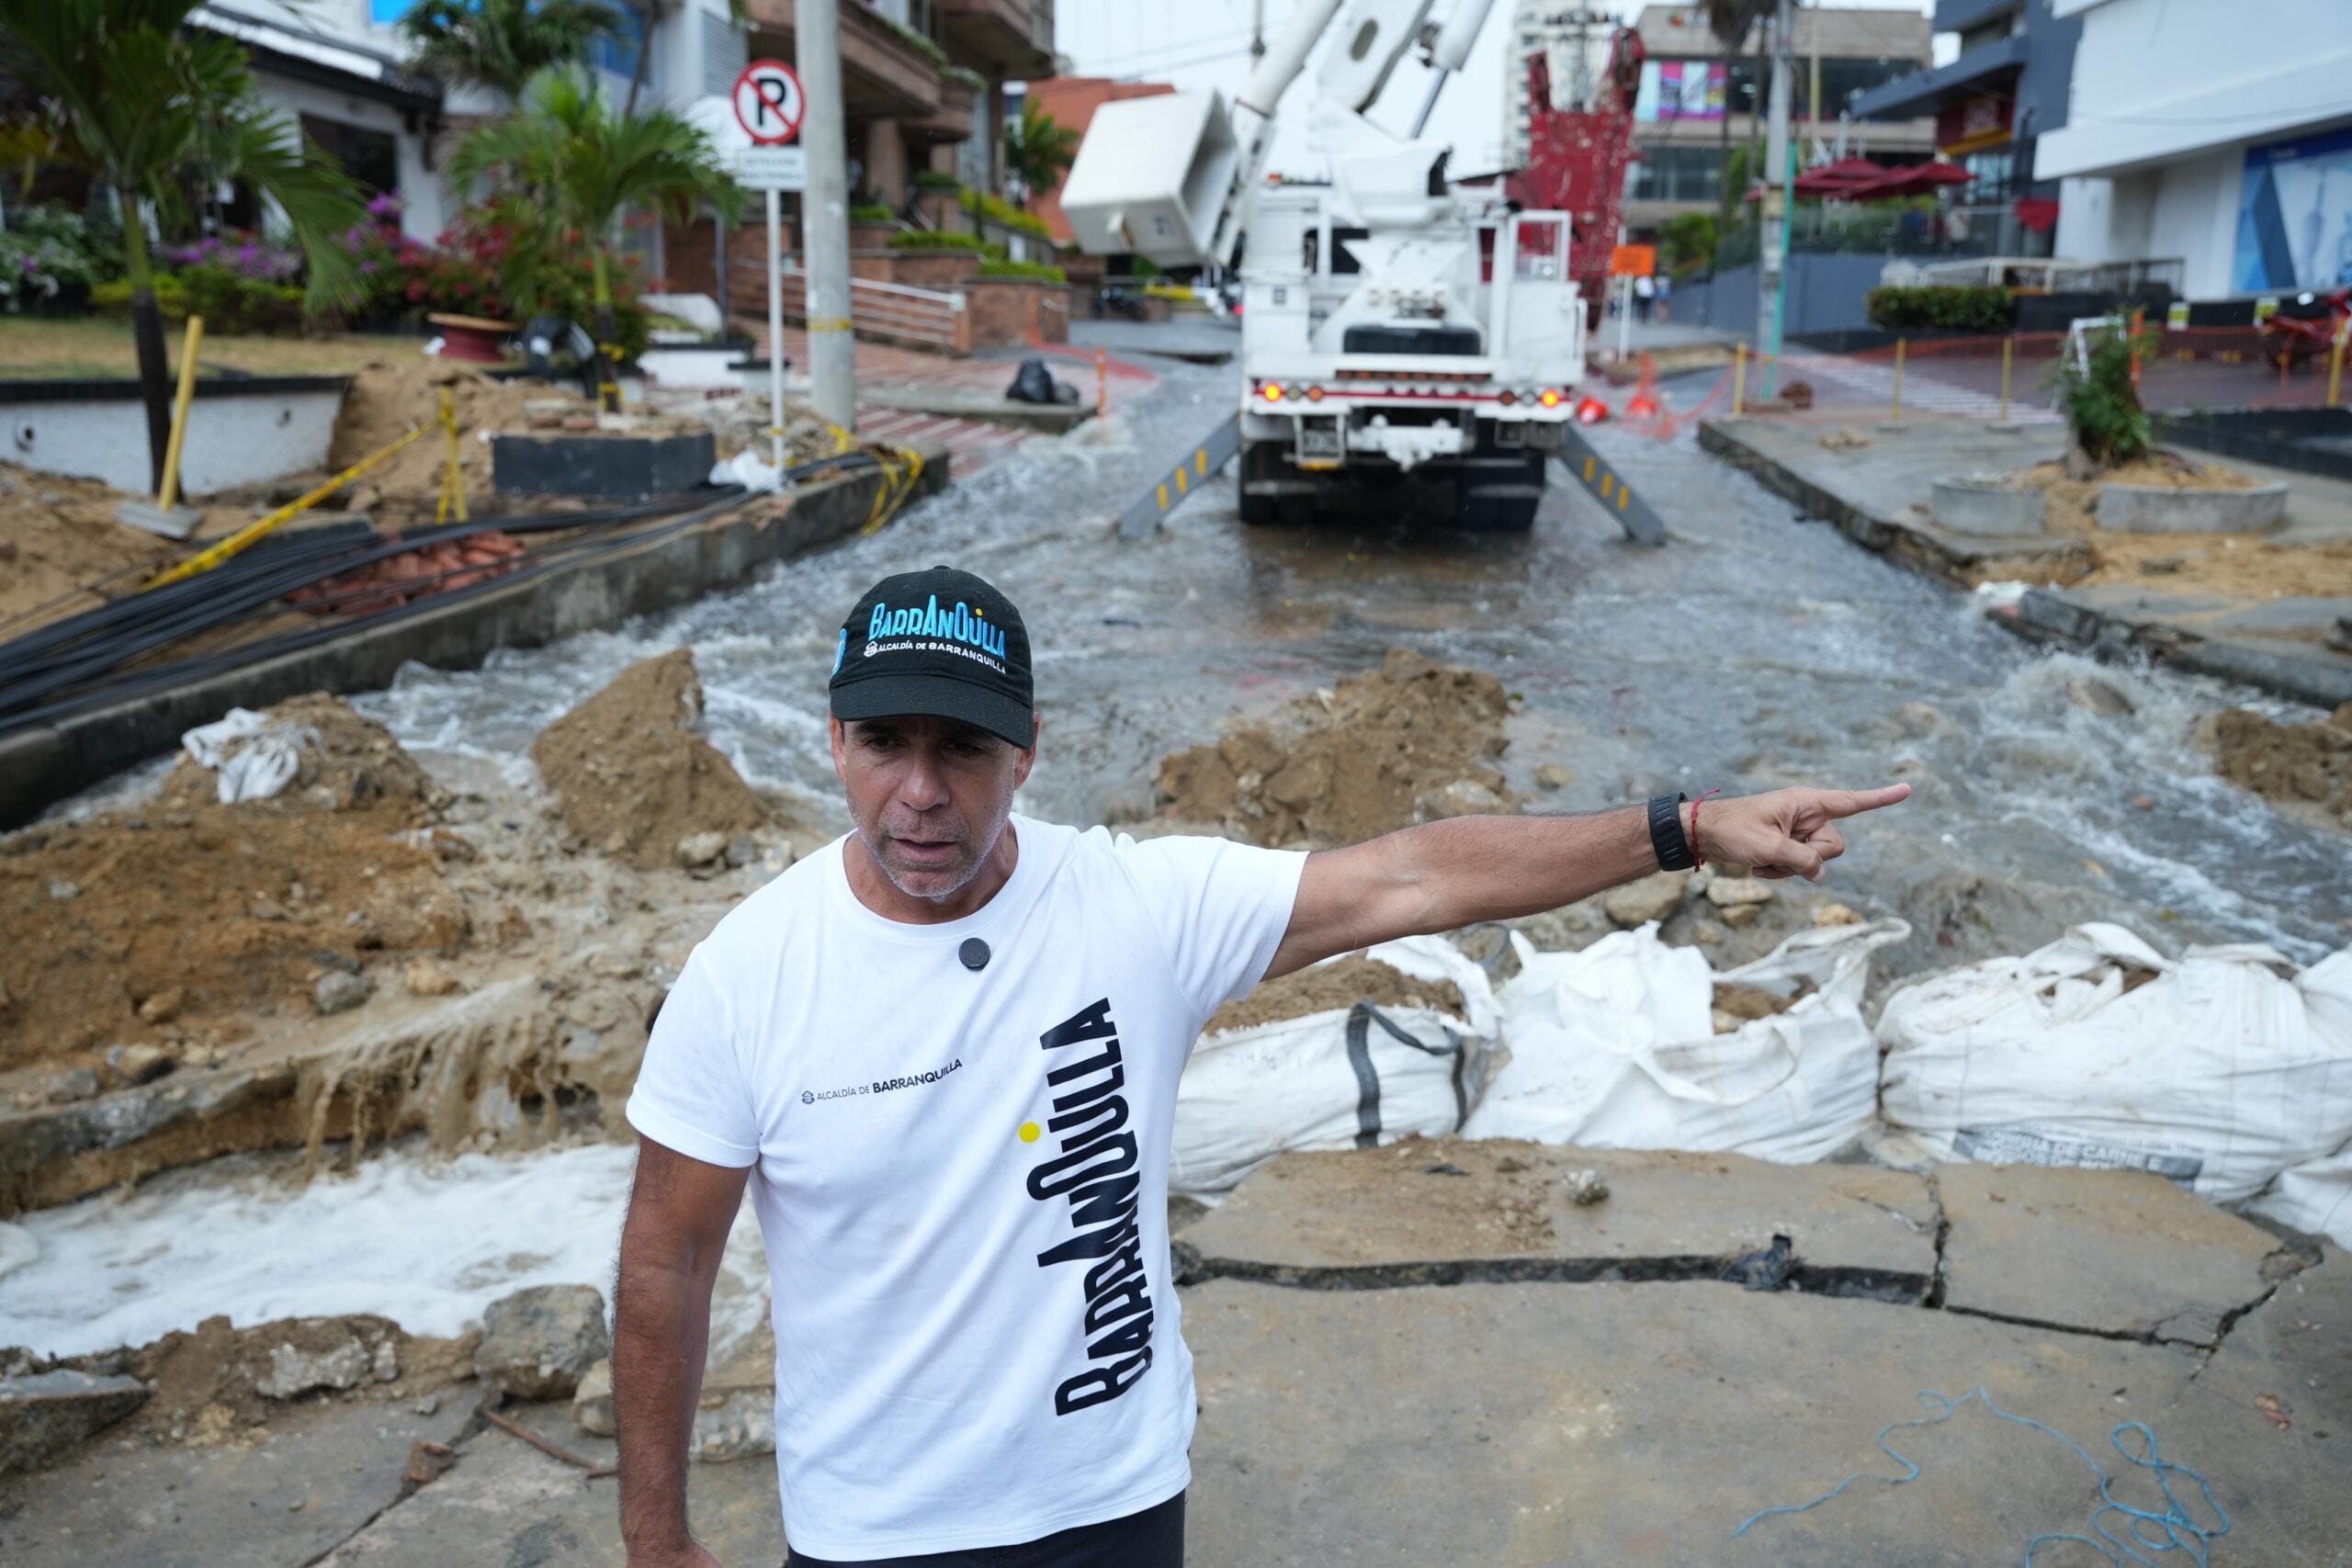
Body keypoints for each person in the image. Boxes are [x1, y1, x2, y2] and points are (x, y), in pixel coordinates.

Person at [614, 567, 1909, 1568]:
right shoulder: (751, 975)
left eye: (961, 749)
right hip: (874, 1528)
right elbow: (666, 1259)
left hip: (1109, 1502)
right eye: (886, 744)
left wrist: (1686, 830)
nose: (922, 793)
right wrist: (658, 1540)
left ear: (1027, 749)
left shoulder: (1131, 906)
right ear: (835, 744)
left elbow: (1420, 875)